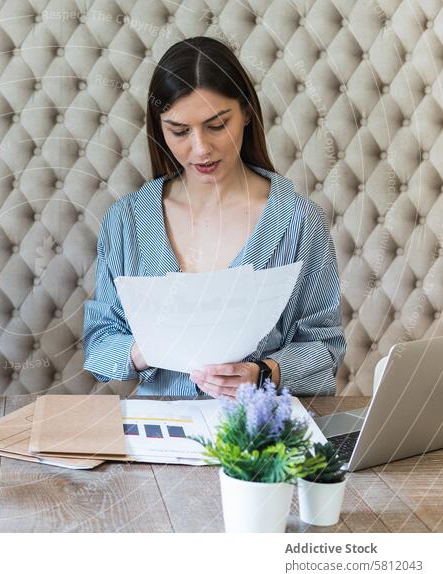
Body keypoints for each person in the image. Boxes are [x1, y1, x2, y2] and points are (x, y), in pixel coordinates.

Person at [83, 37, 346, 398]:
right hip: (157, 435)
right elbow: (99, 343)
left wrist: (263, 374)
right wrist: (144, 350)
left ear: (247, 113)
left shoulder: (300, 220)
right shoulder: (125, 220)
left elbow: (326, 347)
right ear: (159, 127)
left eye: (217, 125)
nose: (201, 148)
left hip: (258, 436)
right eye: (179, 131)